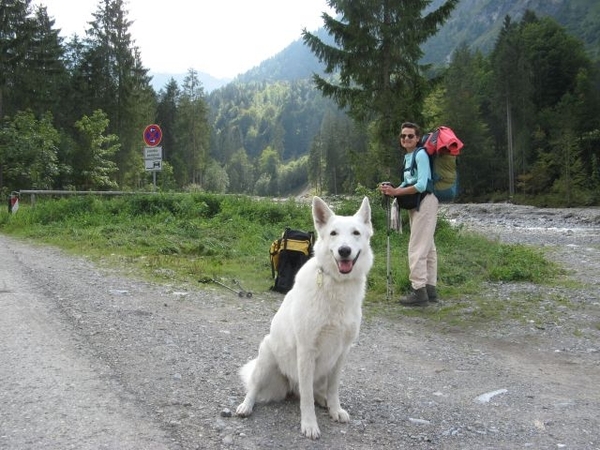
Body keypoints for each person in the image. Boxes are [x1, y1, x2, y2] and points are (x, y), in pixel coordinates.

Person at [379, 122, 439, 306]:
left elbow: (421, 185)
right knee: (428, 248)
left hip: (425, 202)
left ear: (418, 138)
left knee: (417, 248)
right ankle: (429, 290)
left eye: (410, 136)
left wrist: (396, 193)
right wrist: (393, 189)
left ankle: (418, 292)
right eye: (403, 136)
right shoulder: (408, 157)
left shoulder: (420, 154)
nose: (406, 139)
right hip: (418, 204)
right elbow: (409, 182)